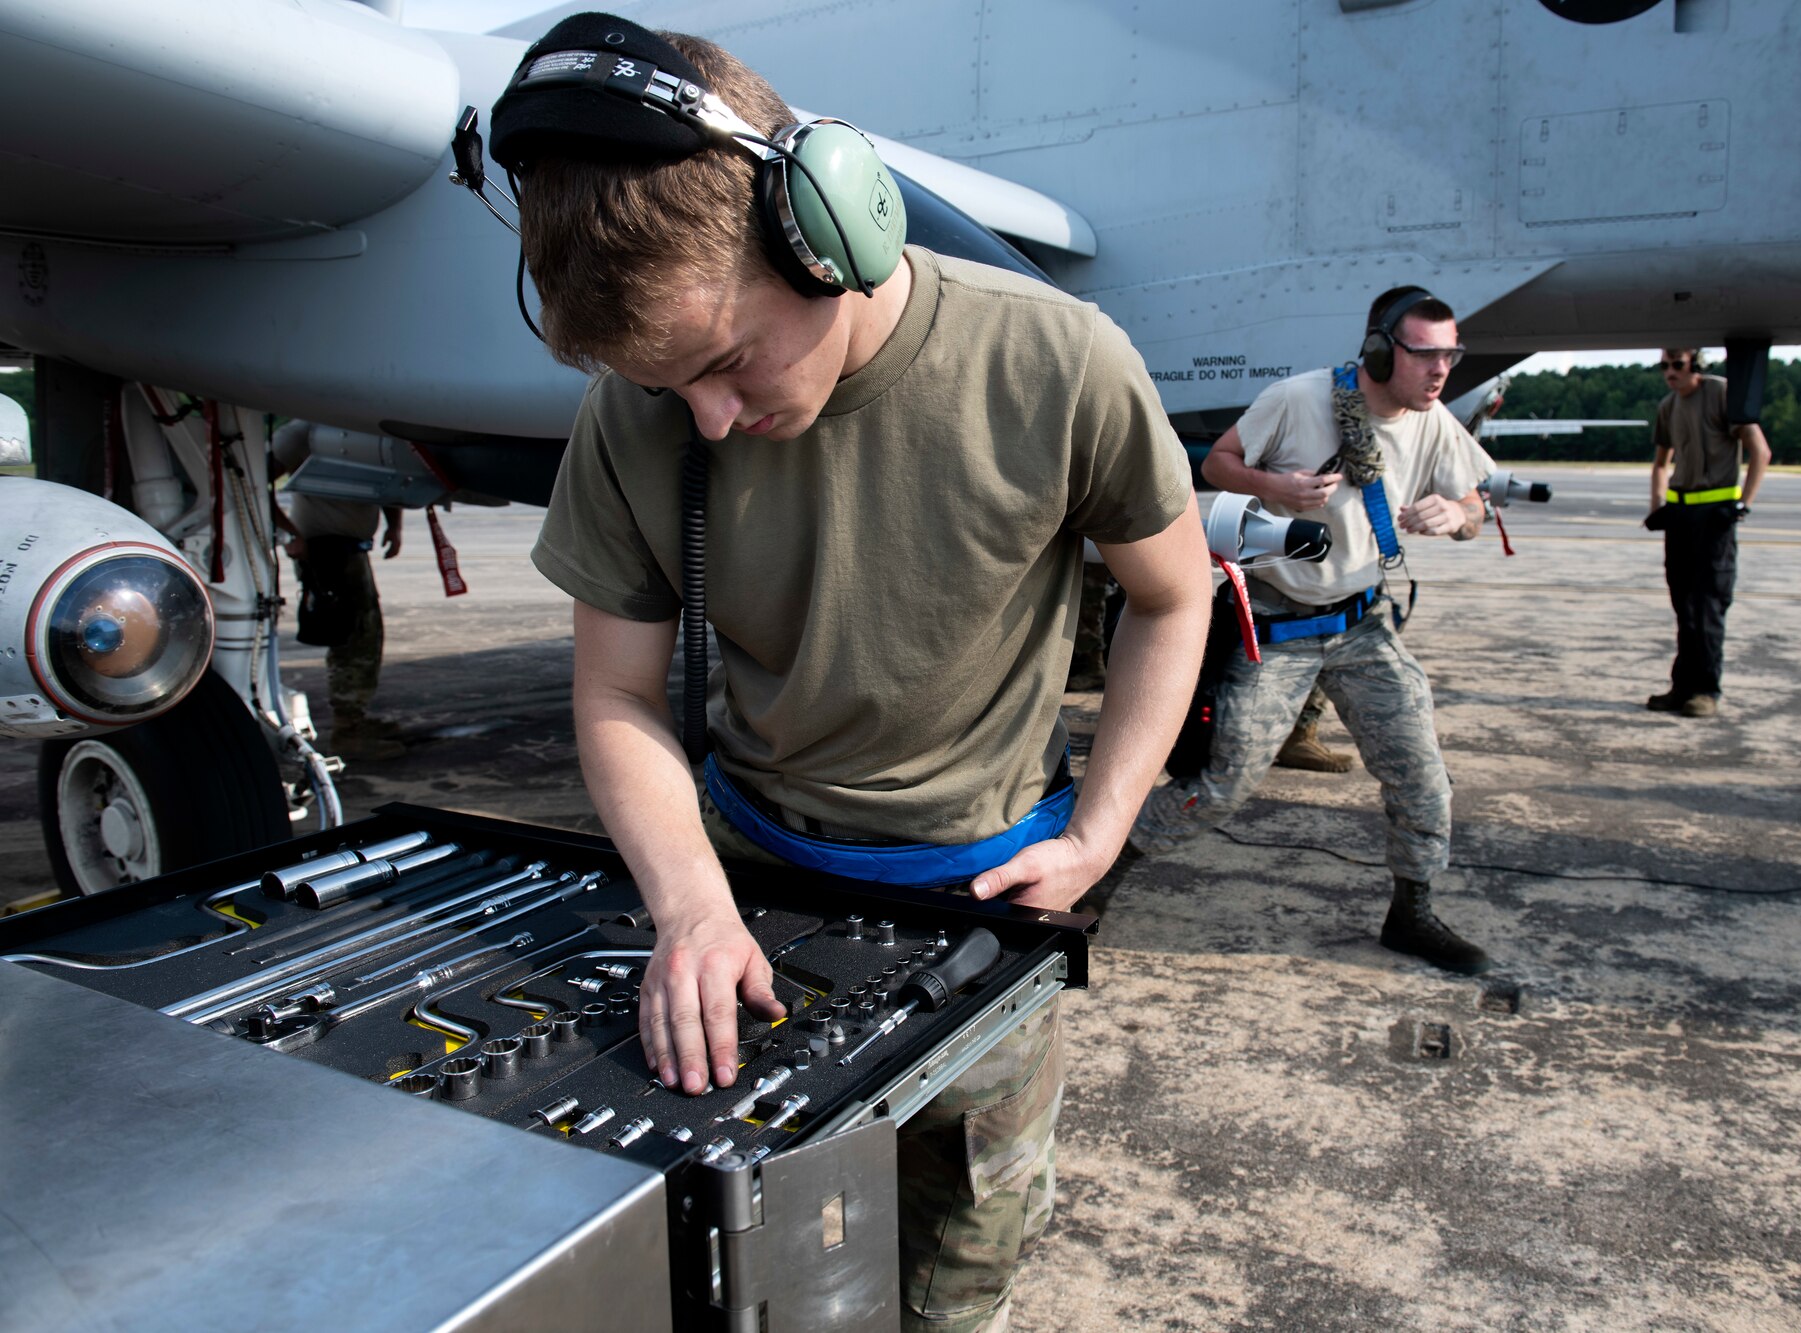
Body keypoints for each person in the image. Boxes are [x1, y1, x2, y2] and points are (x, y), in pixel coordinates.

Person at [493, 19, 1210, 1330]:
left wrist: (1102, 830)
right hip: (746, 892)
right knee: (749, 1248)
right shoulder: (639, 411)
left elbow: (1174, 598)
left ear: (825, 231)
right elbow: (614, 696)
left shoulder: (1058, 362)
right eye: (668, 387)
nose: (708, 419)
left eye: (722, 363)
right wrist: (694, 909)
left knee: (962, 1248)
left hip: (983, 898)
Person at [1128, 286, 1498, 976]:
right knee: (1221, 781)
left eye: (1451, 355)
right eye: (1425, 354)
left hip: (1363, 625)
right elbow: (1215, 463)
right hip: (1278, 621)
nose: (1441, 370)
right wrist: (1278, 486)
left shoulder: (1434, 419)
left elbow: (1478, 499)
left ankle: (1411, 911)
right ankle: (1104, 870)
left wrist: (1459, 514)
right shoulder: (1298, 399)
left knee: (1422, 775)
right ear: (1382, 350)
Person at [1643, 349, 1771, 718]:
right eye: (1664, 366)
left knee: (1708, 606)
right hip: (1681, 514)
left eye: (1677, 365)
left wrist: (1742, 504)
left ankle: (1706, 691)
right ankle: (1681, 687)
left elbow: (1760, 450)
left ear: (1695, 365)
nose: (1670, 372)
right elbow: (1660, 464)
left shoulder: (1721, 393)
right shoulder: (1668, 406)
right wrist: (1657, 509)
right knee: (1683, 605)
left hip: (1714, 516)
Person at [271, 422, 404, 761]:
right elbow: (255, 483)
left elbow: (387, 479)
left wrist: (395, 524)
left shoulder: (366, 426)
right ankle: (348, 730)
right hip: (324, 552)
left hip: (351, 551)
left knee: (365, 633)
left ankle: (355, 718)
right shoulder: (302, 433)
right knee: (350, 636)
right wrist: (290, 534)